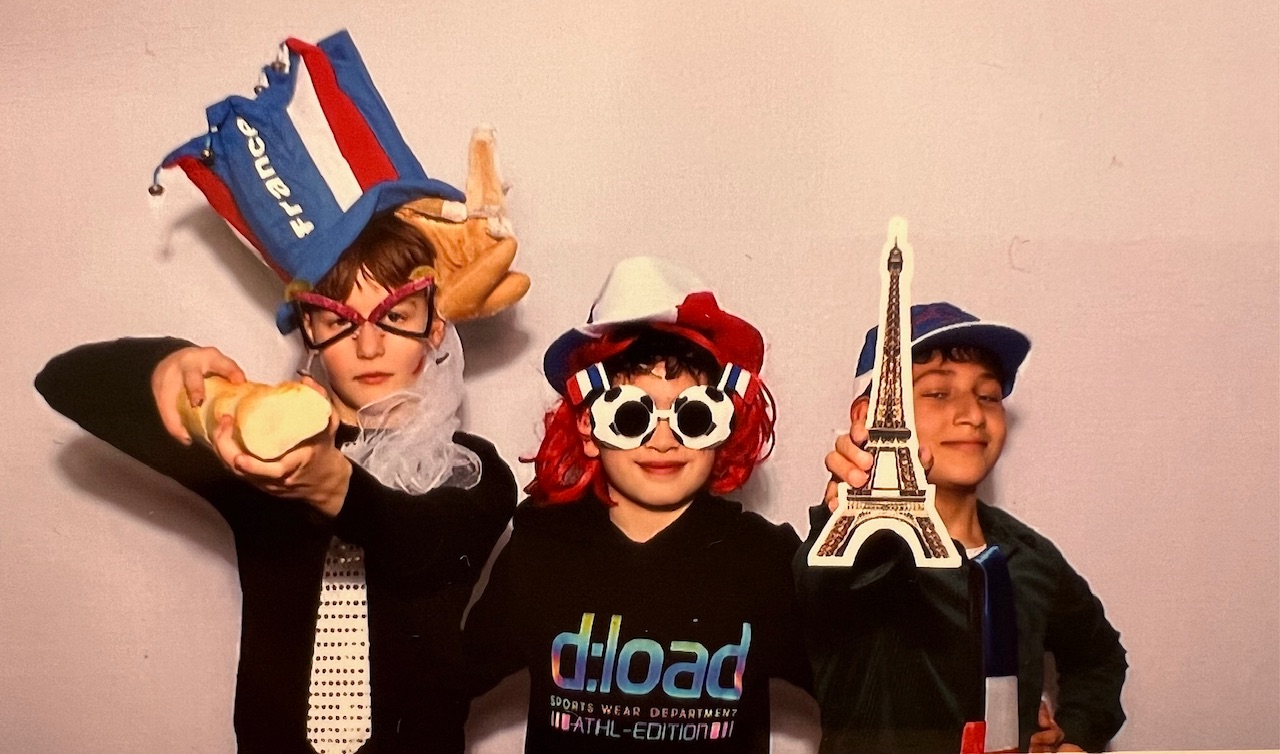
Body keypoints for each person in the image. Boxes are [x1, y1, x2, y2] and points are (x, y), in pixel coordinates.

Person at [35, 32, 518, 754]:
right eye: (338, 318)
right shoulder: (258, 450)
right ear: (308, 333)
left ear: (435, 325)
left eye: (395, 315)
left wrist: (330, 482)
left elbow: (418, 546)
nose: (368, 344)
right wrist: (167, 367)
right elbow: (65, 382)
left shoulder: (472, 471)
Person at [464, 257, 811, 753]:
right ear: (588, 428)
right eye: (631, 416)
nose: (663, 441)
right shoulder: (539, 555)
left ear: (725, 425)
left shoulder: (765, 561)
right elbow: (438, 684)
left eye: (692, 416)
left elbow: (866, 684)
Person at [796, 302, 1127, 754]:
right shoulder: (872, 557)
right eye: (937, 393)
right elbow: (822, 579)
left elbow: (1100, 657)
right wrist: (841, 504)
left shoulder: (1030, 556)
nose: (972, 414)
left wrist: (1076, 736)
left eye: (988, 395)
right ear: (867, 416)